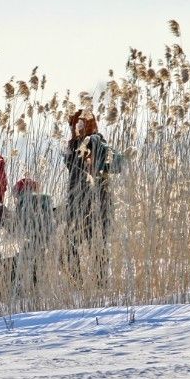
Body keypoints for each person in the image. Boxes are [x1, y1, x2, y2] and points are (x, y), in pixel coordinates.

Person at [63, 110, 112, 281]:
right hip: (75, 200)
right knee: (69, 243)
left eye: (80, 124)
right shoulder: (72, 145)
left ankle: (101, 283)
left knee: (98, 241)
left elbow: (98, 144)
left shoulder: (97, 139)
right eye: (74, 125)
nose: (76, 128)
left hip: (97, 200)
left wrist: (89, 141)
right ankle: (77, 284)